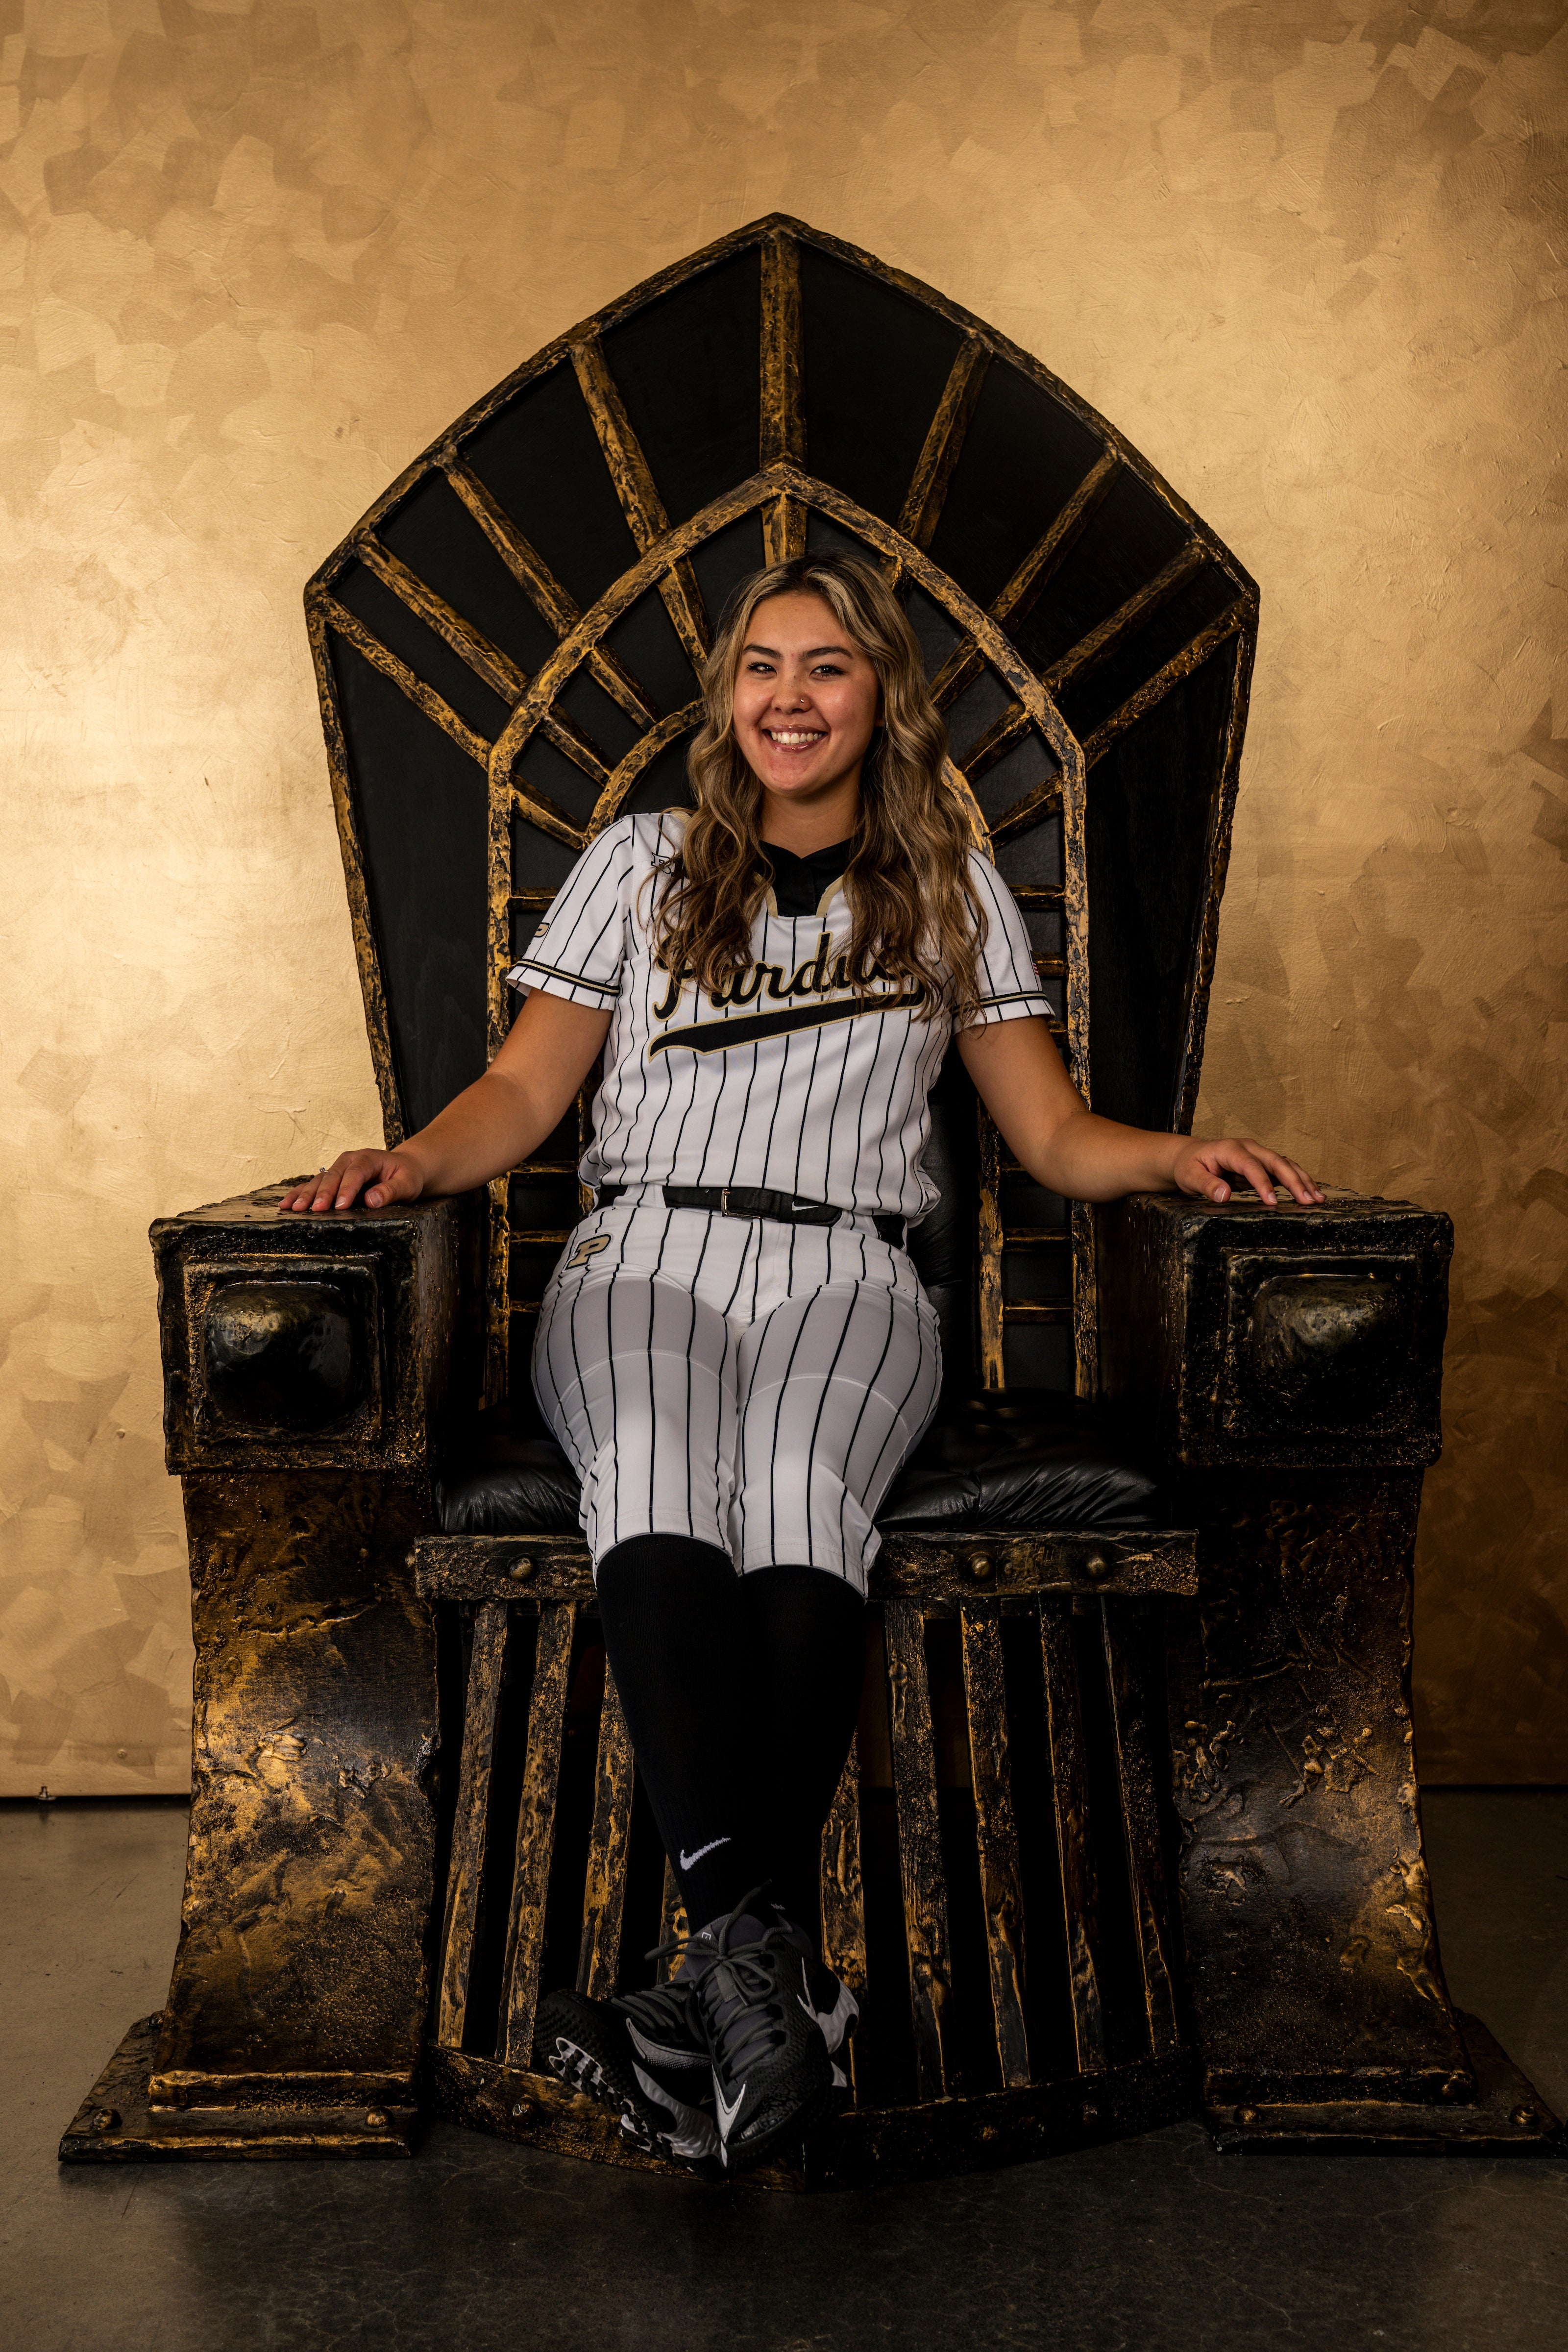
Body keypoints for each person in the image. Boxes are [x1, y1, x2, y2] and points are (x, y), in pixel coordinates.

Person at [284, 552, 1320, 2175]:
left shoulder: (950, 883)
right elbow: (529, 1092)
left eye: (826, 666)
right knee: (650, 1457)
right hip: (645, 1249)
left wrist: (1177, 1157)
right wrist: (410, 1161)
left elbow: (1049, 1134)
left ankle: (700, 1992)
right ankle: (774, 1978)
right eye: (761, 666)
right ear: (727, 700)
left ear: (880, 694)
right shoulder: (639, 862)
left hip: (850, 1263)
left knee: (795, 1481)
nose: (789, 696)